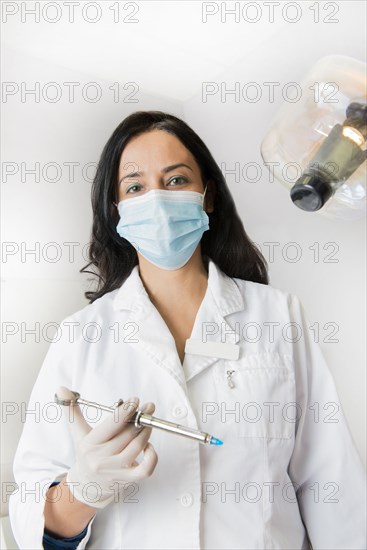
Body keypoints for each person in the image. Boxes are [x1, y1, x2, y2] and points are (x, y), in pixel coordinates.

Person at [9, 111, 366, 549]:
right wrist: (83, 490)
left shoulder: (277, 317)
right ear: (117, 212)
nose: (157, 200)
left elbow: (332, 485)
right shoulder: (80, 337)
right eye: (136, 187)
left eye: (176, 180)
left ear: (208, 196)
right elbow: (31, 520)